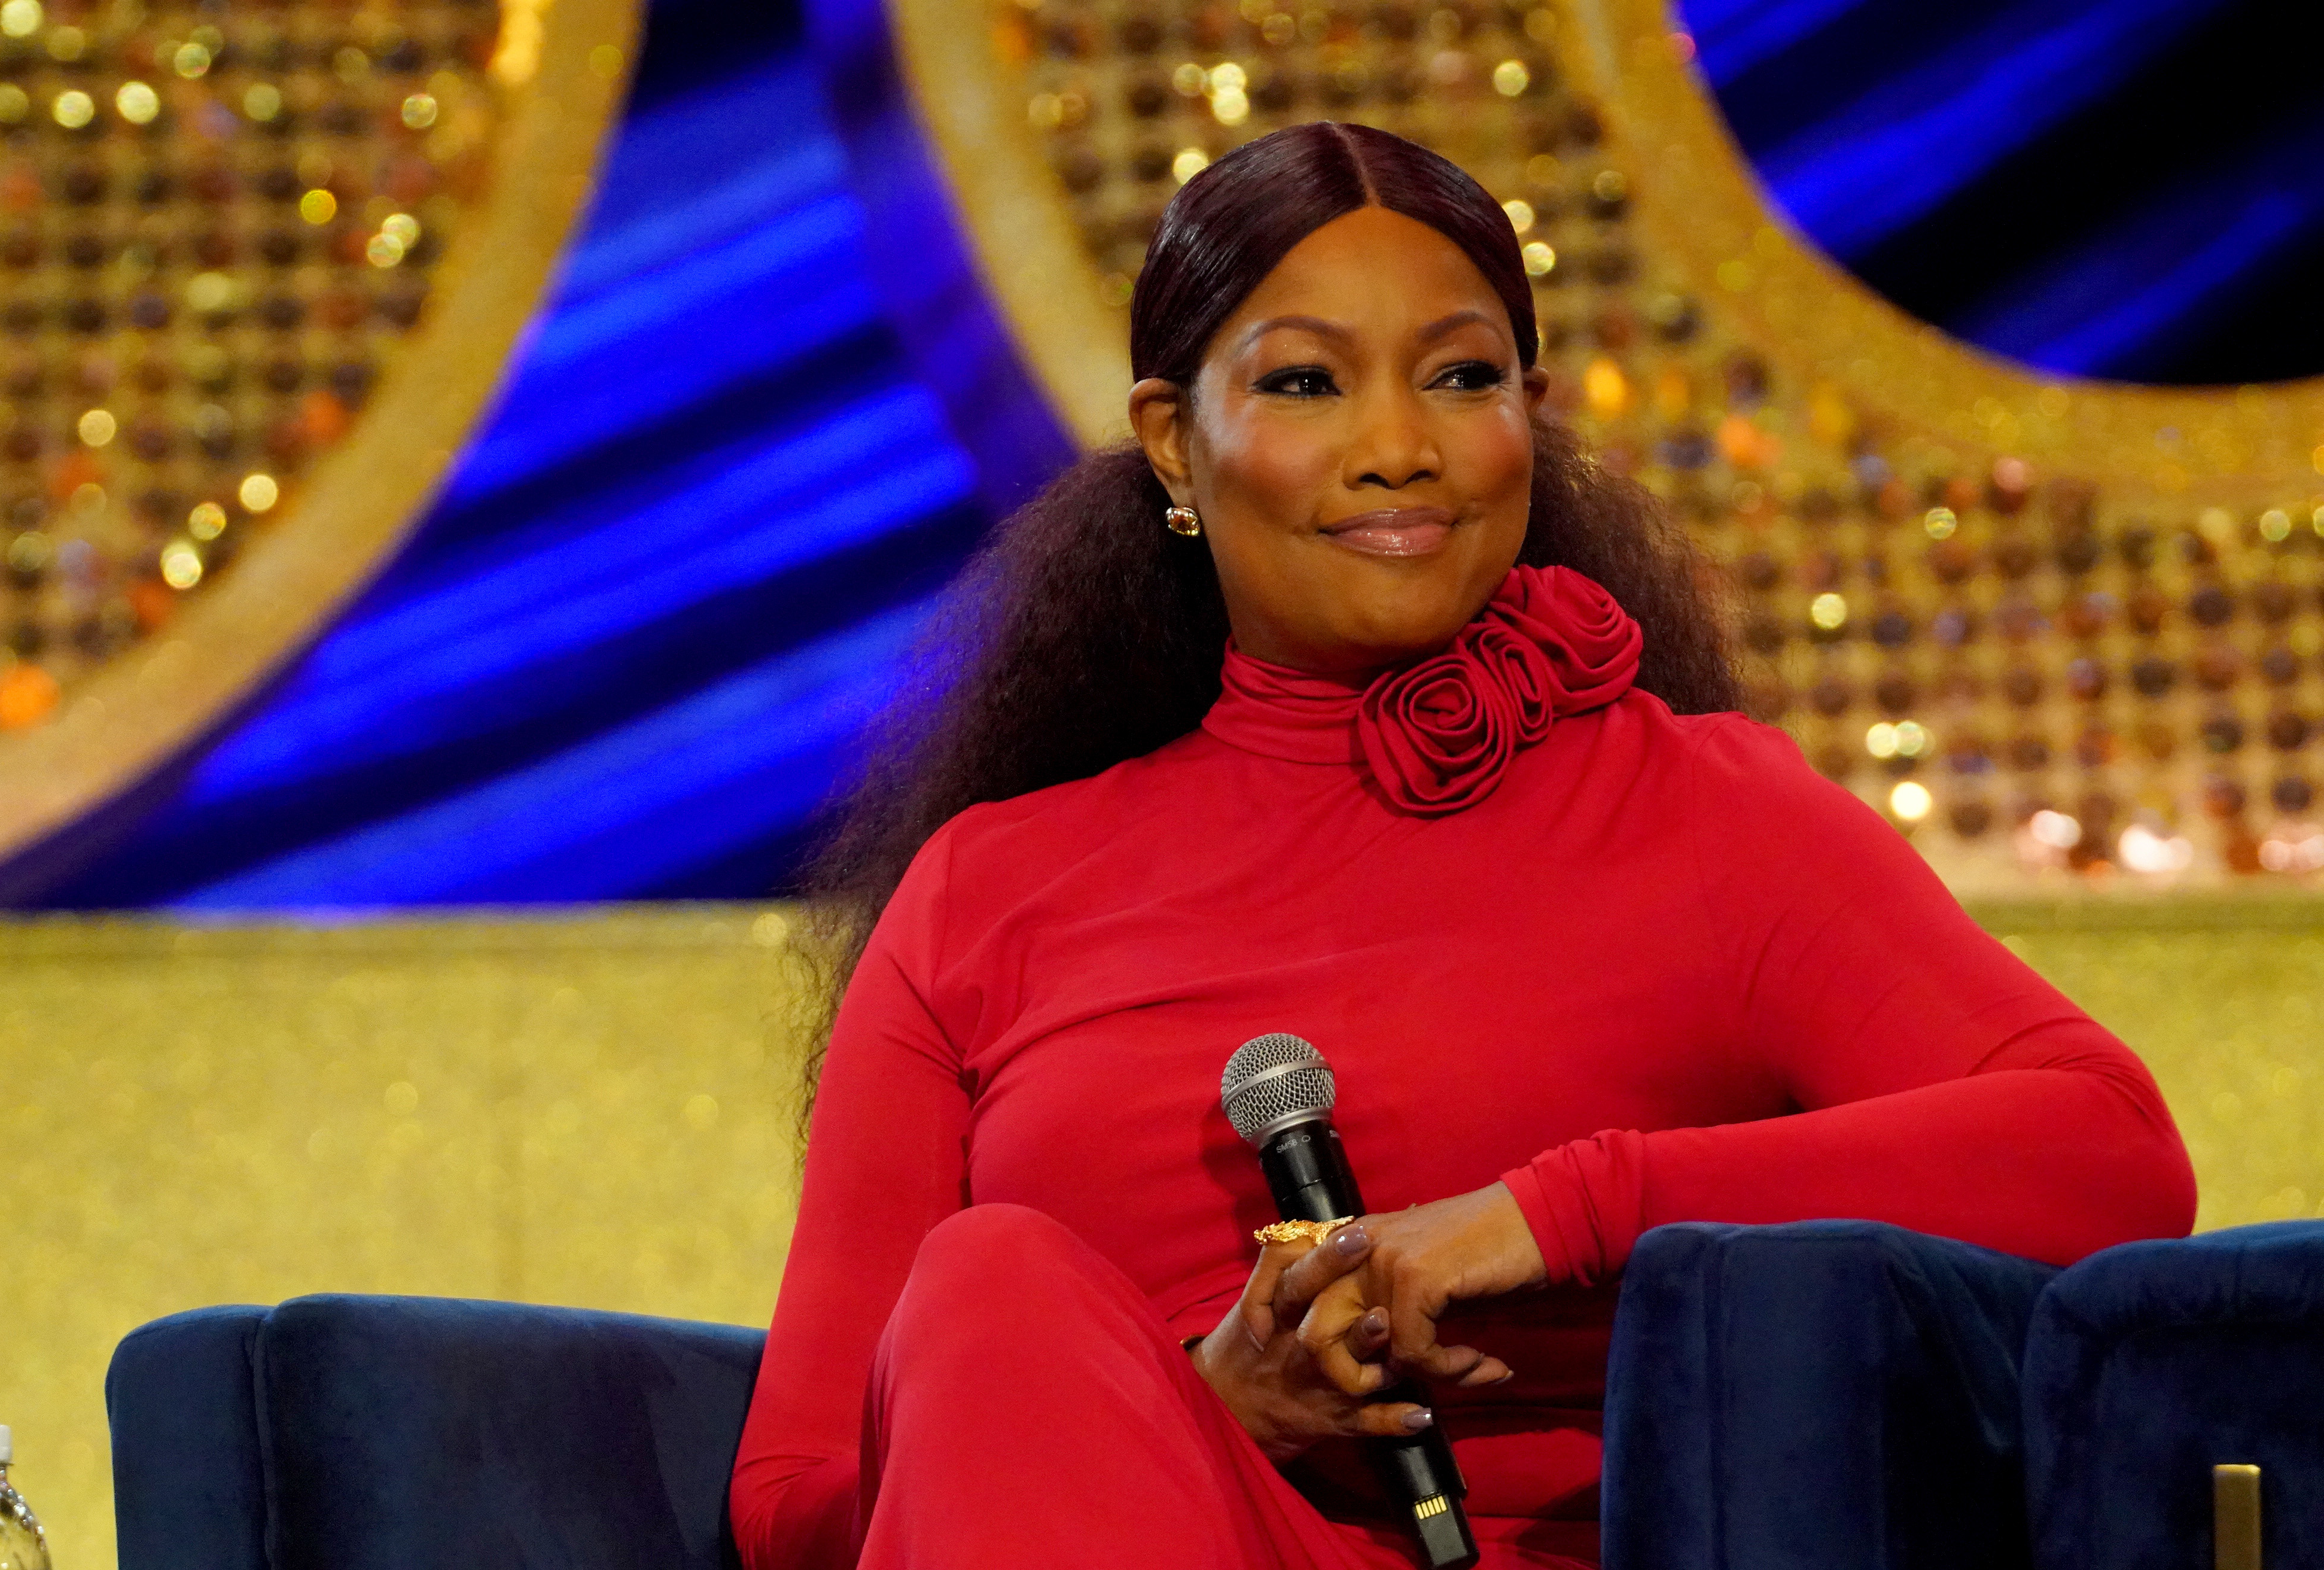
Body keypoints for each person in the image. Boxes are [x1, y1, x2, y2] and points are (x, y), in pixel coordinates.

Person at [729, 122, 2194, 1569]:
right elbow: (795, 1497)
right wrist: (1198, 1402)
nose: (1398, 450)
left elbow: (2105, 1153)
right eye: (1306, 382)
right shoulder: (983, 892)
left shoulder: (1699, 811)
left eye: (1462, 378)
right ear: (1176, 441)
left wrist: (1539, 1217)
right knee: (995, 1286)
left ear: (1531, 418)